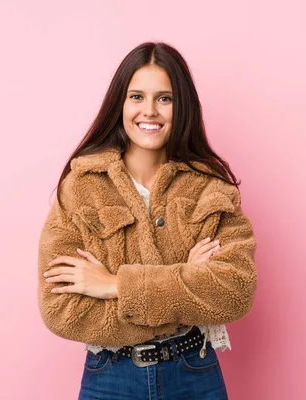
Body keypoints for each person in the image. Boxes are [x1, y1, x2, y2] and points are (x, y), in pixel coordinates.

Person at [37, 41, 257, 400]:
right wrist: (187, 288)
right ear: (120, 104)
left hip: (194, 375)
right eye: (137, 97)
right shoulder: (81, 187)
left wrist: (114, 285)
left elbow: (235, 291)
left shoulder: (211, 188)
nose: (150, 111)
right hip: (110, 379)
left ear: (181, 105)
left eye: (165, 99)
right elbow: (61, 310)